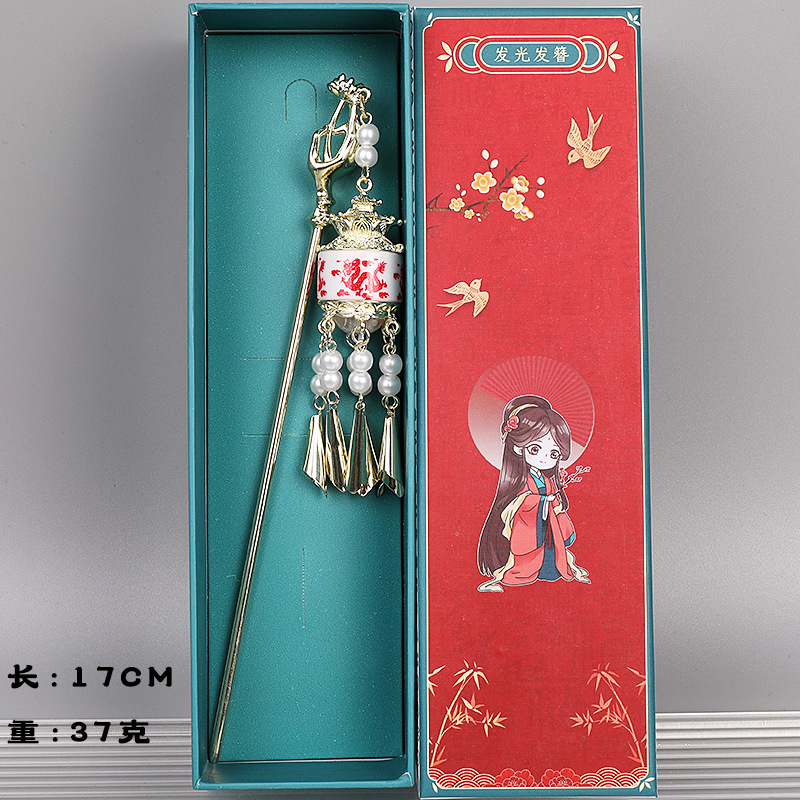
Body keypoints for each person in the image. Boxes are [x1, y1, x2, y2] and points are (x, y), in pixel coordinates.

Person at [477, 395, 589, 592]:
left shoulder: (547, 479)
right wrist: (542, 502)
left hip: (548, 526)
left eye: (554, 453)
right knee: (529, 563)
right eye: (535, 449)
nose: (546, 458)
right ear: (518, 447)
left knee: (553, 555)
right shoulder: (520, 481)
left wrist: (554, 505)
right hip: (530, 527)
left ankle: (551, 568)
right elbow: (518, 504)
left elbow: (555, 503)